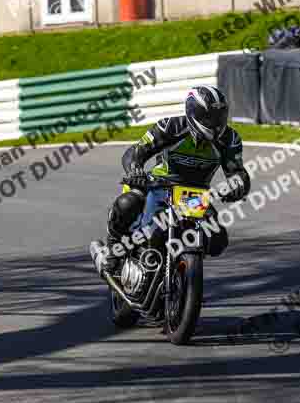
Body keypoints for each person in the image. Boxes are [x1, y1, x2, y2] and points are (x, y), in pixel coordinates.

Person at [90, 85, 252, 274]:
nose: (215, 123)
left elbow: (238, 172)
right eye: (209, 117)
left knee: (218, 241)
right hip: (158, 186)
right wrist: (135, 169)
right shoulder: (170, 127)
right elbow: (134, 153)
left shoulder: (229, 139)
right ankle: (112, 251)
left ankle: (182, 277)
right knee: (128, 203)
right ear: (193, 114)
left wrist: (238, 185)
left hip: (196, 198)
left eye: (219, 116)